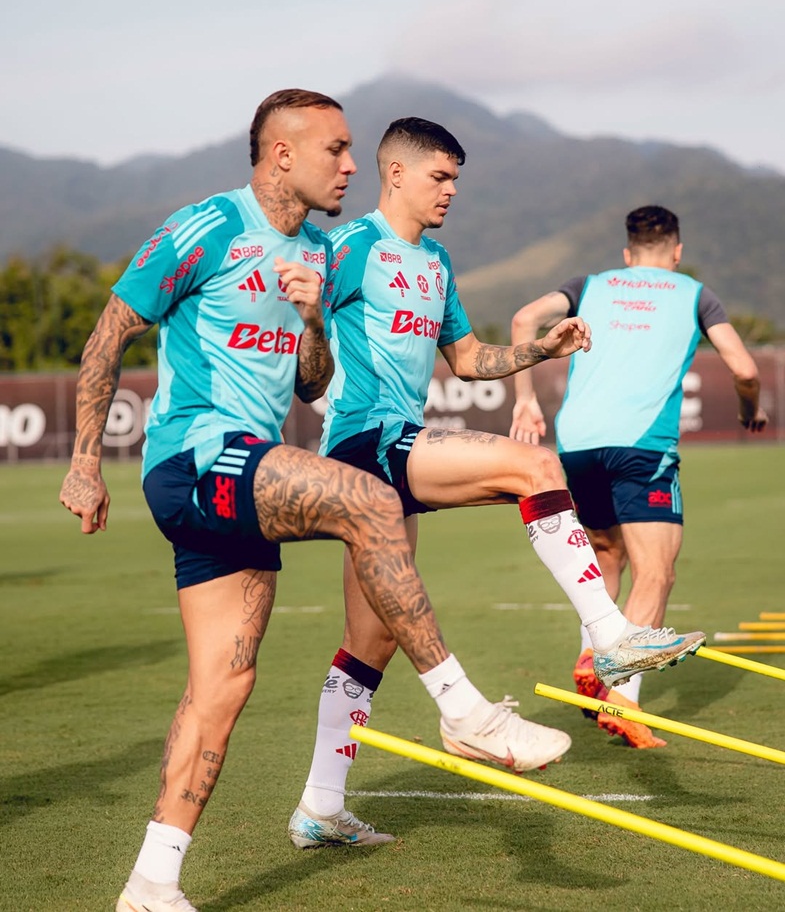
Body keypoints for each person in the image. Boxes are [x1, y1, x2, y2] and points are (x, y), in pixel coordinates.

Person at [59, 90, 576, 912]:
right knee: (369, 499)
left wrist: (309, 320)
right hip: (196, 458)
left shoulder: (322, 251)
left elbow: (311, 383)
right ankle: (462, 709)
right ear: (281, 156)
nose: (348, 164)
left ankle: (150, 883)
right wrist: (86, 462)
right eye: (335, 150)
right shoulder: (208, 226)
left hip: (244, 478)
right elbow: (108, 333)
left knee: (222, 690)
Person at [287, 120, 705, 849]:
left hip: (393, 447)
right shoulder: (347, 246)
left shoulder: (438, 260)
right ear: (395, 173)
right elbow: (306, 360)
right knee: (534, 467)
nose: (450, 191)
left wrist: (538, 348)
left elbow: (468, 358)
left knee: (371, 640)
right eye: (438, 178)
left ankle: (319, 808)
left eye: (455, 179)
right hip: (362, 443)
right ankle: (610, 636)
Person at [509, 204, 768, 749]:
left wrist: (526, 401)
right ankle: (624, 699)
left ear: (627, 255)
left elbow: (523, 320)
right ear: (676, 252)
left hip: (576, 442)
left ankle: (592, 653)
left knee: (607, 554)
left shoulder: (590, 285)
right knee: (658, 573)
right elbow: (744, 369)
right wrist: (748, 412)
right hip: (641, 447)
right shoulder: (694, 293)